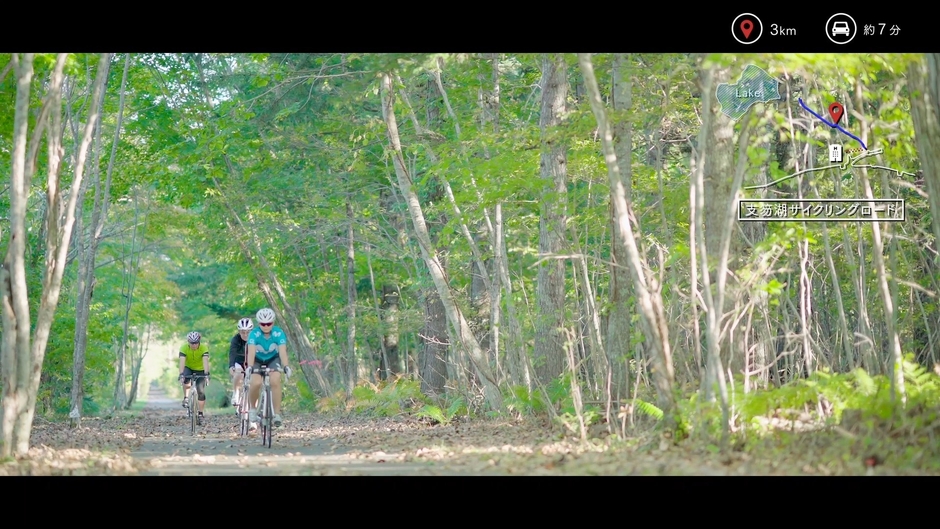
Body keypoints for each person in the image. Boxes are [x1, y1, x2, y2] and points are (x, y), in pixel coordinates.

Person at [246, 308, 292, 427]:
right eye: (263, 324)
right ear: (258, 323)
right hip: (257, 360)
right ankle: (252, 408)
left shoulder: (279, 333)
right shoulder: (254, 334)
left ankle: (276, 414)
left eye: (269, 323)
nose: (266, 326)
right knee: (255, 383)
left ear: (273, 322)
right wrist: (249, 367)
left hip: (272, 359)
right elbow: (250, 352)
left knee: (275, 381)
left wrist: (286, 366)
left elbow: (282, 352)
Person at [179, 331, 211, 425]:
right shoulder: (184, 348)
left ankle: (200, 413)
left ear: (199, 341)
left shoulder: (204, 348)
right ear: (188, 342)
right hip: (188, 367)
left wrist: (206, 374)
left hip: (200, 369)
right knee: (185, 379)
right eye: (191, 343)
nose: (194, 345)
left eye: (196, 343)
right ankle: (185, 397)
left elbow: (205, 361)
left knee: (201, 391)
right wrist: (181, 374)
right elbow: (182, 362)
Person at [229, 317, 253, 413]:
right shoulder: (235, 339)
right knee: (239, 373)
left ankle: (249, 407)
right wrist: (231, 366)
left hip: (252, 362)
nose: (245, 334)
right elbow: (232, 353)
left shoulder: (256, 338)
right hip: (239, 361)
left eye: (247, 332)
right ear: (239, 331)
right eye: (243, 332)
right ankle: (236, 393)